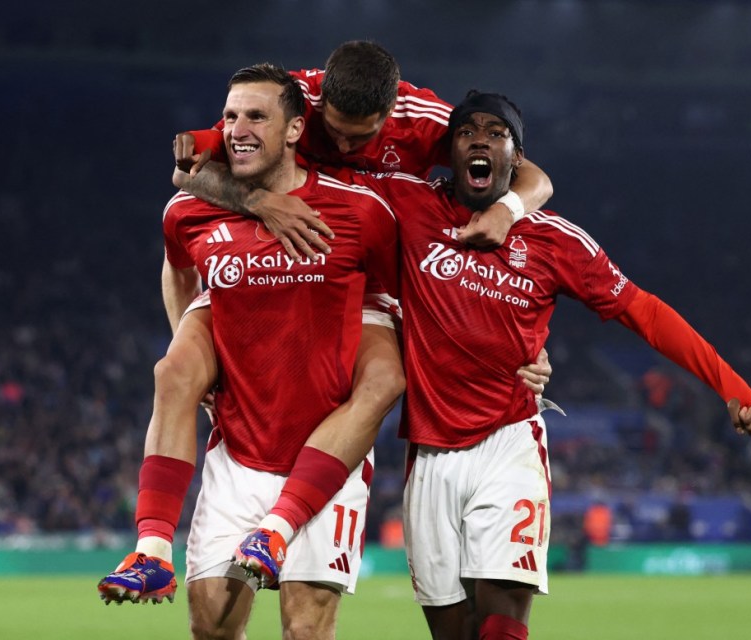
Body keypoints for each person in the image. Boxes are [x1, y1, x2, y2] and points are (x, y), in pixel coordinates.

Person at [98, 40, 553, 602]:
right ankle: (151, 551)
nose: (340, 146)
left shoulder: (424, 121)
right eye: (329, 130)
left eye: (359, 137)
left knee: (386, 378)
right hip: (258, 260)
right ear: (307, 114)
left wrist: (513, 334)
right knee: (173, 372)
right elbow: (189, 166)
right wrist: (261, 203)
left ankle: (279, 528)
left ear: (391, 113)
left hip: (350, 265)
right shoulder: (282, 99)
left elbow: (526, 174)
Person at [346, 90, 751, 640]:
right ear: (449, 150)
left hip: (509, 442)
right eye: (467, 130)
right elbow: (332, 165)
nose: (480, 138)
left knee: (501, 625)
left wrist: (728, 383)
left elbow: (642, 310)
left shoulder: (553, 240)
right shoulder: (411, 204)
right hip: (429, 454)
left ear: (516, 158)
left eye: (496, 133)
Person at [105, 62, 403, 638]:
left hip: (326, 456)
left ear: (295, 130)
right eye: (230, 116)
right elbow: (178, 269)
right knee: (212, 627)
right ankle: (150, 548)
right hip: (238, 451)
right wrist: (196, 359)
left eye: (257, 116)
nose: (239, 127)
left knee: (305, 630)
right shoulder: (189, 211)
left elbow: (408, 293)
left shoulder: (361, 211)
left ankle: (281, 525)